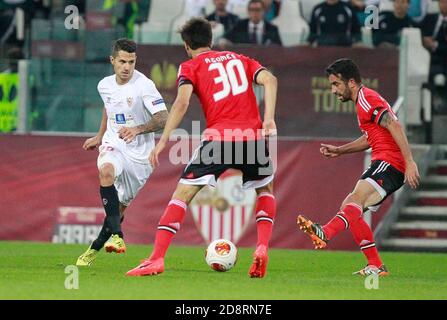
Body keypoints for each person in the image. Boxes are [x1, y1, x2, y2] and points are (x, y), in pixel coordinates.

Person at [126, 17, 278, 278]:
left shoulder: (190, 66)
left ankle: (157, 259)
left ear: (187, 45)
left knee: (182, 195)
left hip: (219, 139)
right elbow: (271, 80)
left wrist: (163, 141)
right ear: (211, 40)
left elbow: (182, 103)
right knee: (265, 189)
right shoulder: (240, 58)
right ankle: (262, 247)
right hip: (253, 138)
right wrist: (268, 118)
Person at [297, 59, 420, 276]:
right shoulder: (363, 101)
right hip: (383, 162)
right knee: (351, 207)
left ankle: (325, 232)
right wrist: (340, 150)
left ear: (351, 82)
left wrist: (410, 161)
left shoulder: (366, 99)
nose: (333, 90)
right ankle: (375, 265)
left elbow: (394, 124)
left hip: (391, 163)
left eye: (336, 84)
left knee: (354, 201)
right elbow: (370, 138)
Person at [76, 38, 168, 266]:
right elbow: (109, 108)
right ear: (112, 61)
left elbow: (163, 118)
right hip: (114, 143)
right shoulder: (104, 85)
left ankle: (95, 247)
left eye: (131, 62)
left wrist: (138, 129)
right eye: (122, 62)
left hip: (140, 156)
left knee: (118, 209)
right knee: (106, 172)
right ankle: (118, 237)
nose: (127, 67)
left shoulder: (144, 85)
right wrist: (99, 136)